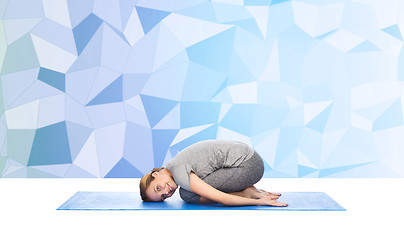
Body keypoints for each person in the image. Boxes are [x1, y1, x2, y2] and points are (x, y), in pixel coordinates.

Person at [139, 140, 288, 207]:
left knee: (188, 195)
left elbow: (222, 198)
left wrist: (260, 202)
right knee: (190, 190)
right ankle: (248, 189)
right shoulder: (174, 163)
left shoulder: (179, 172)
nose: (167, 192)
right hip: (249, 158)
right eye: (163, 196)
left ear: (155, 175)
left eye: (158, 188)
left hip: (249, 166)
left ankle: (246, 192)